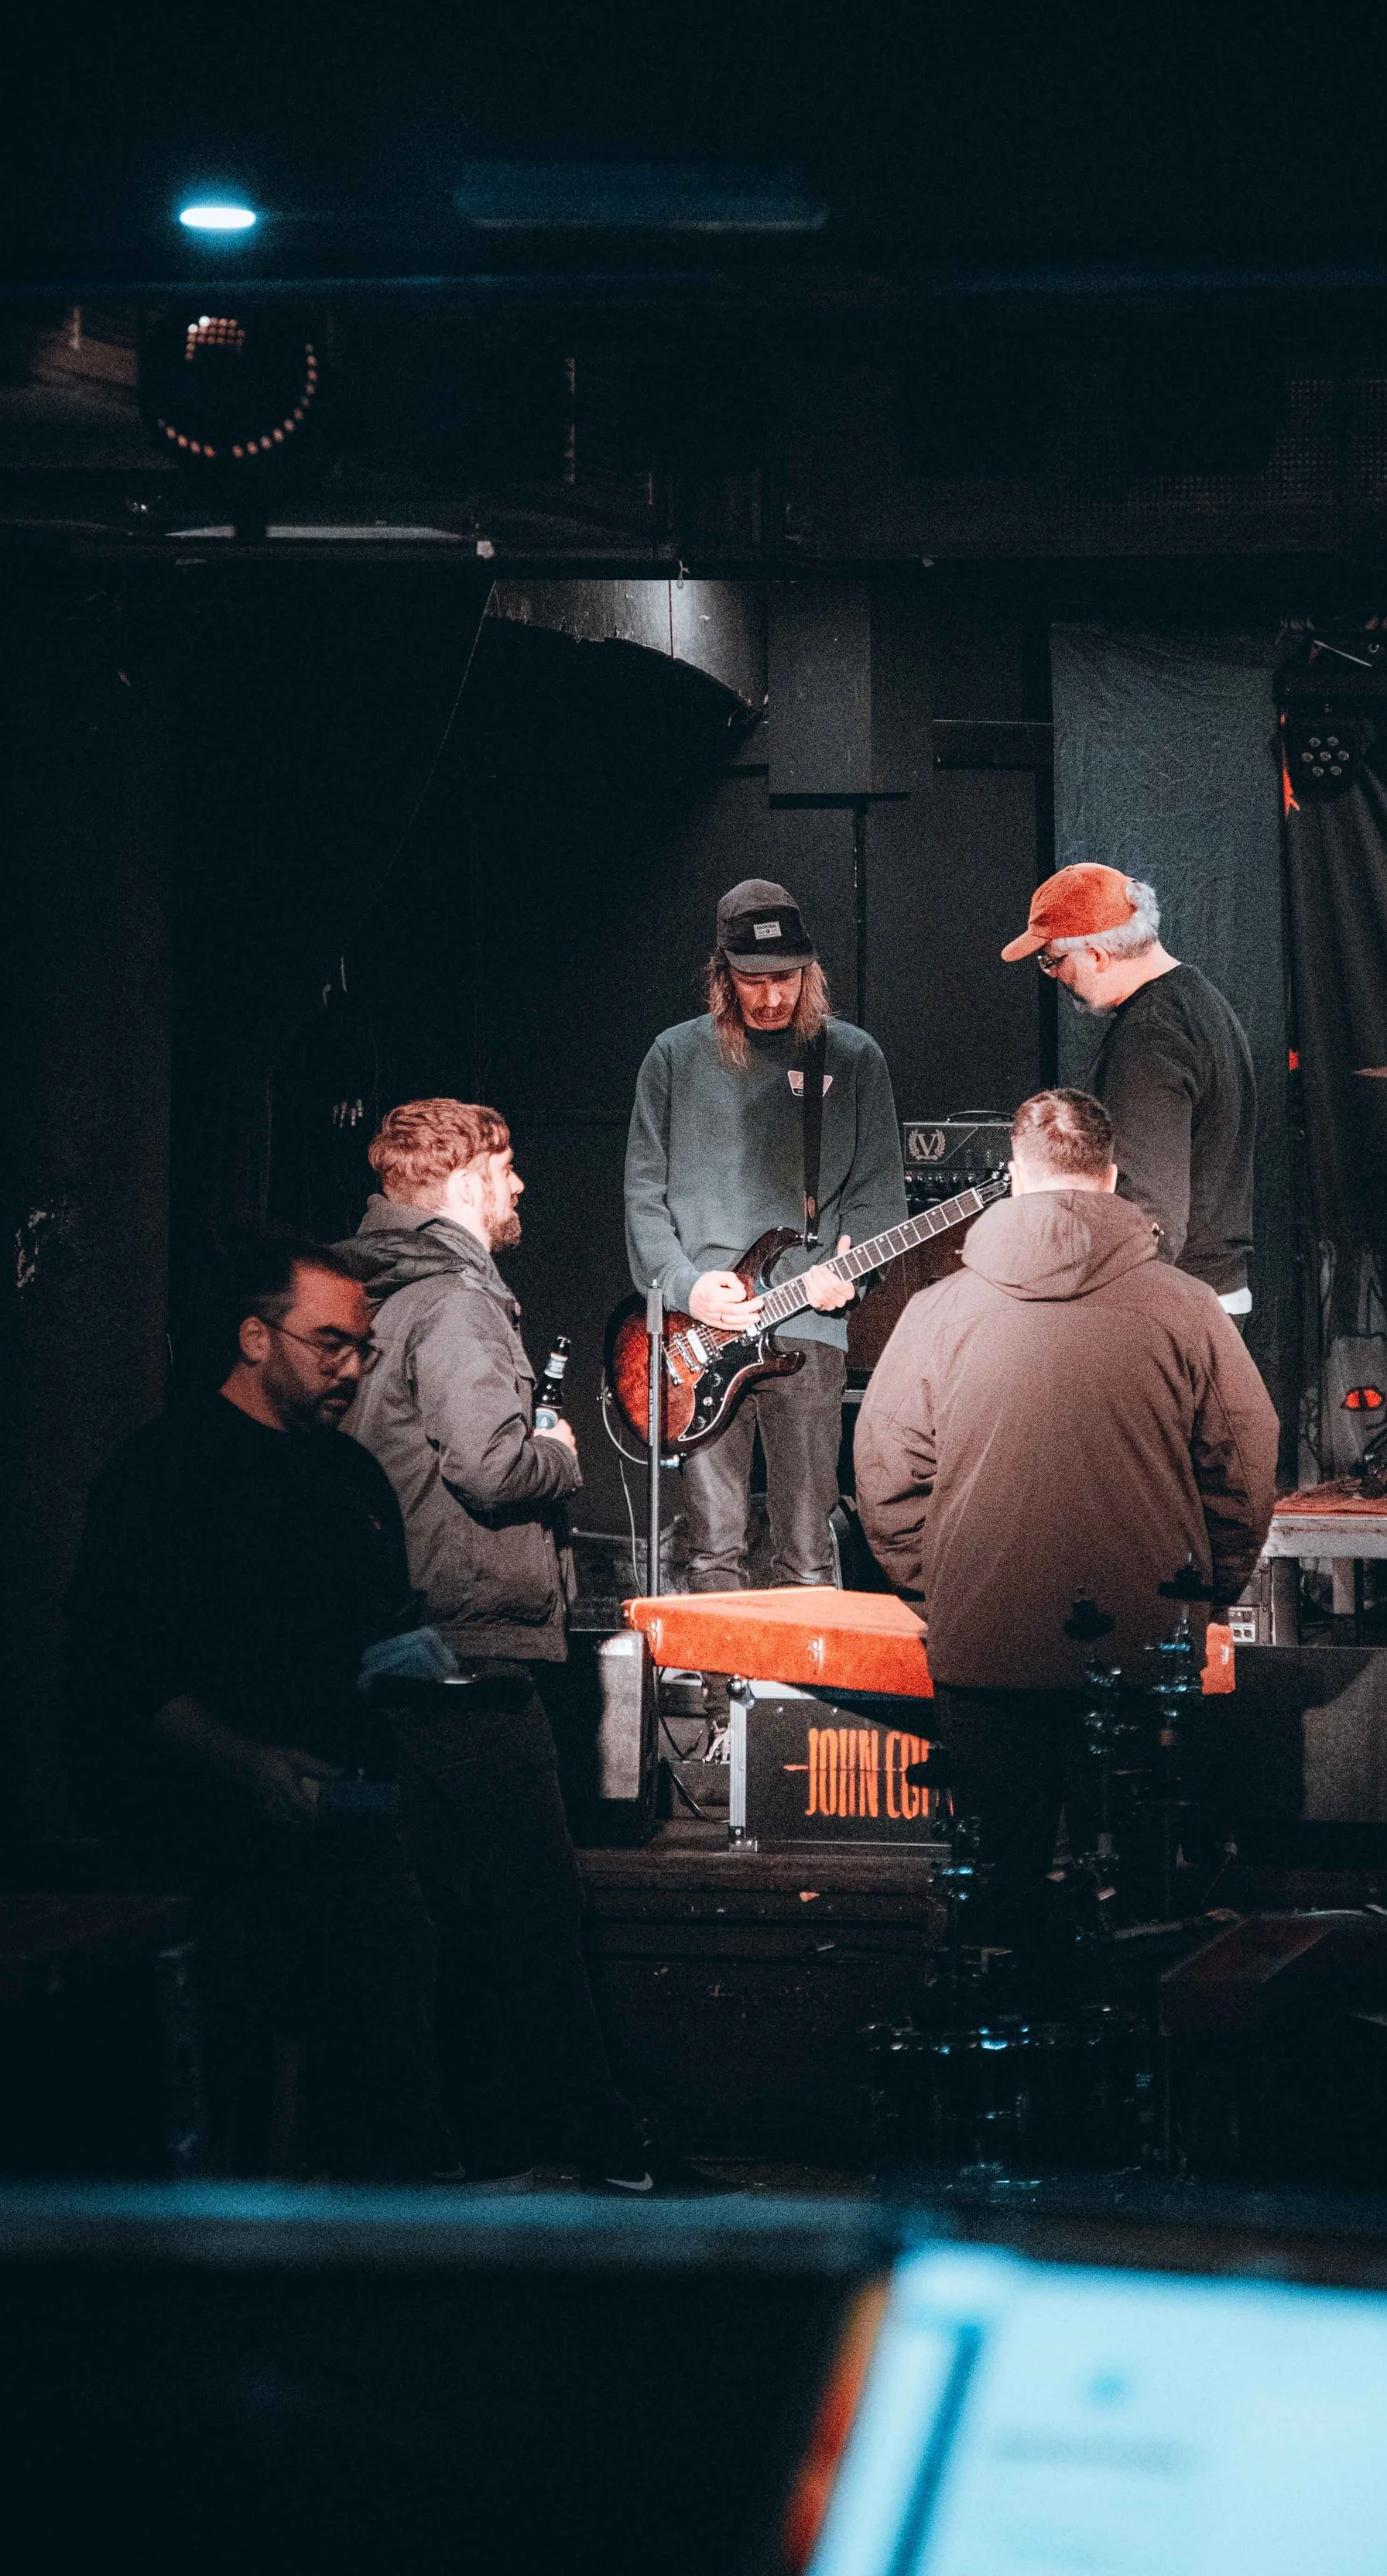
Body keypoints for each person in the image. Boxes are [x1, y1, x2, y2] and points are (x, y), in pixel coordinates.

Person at [852, 1087, 1279, 1949]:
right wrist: (1200, 1596)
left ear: (1013, 1177)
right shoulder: (1185, 1307)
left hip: (986, 1655)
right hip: (1141, 1654)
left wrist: (949, 1592)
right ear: (1112, 1177)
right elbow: (1244, 1469)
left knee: (993, 1905)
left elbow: (885, 1479)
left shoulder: (937, 1311)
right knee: (1142, 1913)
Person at [63, 1229, 445, 2180]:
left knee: (381, 2096)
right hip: (211, 1846)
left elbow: (369, 1633)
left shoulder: (353, 1478)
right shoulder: (167, 1472)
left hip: (349, 1834)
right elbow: (119, 1672)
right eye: (331, 1344)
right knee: (220, 2118)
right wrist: (248, 1764)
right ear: (255, 1336)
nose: (353, 1368)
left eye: (363, 1346)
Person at [344, 1096, 655, 2189]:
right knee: (535, 1912)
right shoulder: (460, 1300)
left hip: (395, 1644)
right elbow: (489, 1465)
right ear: (464, 1180)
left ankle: (449, 2148)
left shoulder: (364, 1292)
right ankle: (602, 2146)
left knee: (430, 1920)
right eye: (507, 1166)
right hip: (471, 1649)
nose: (520, 1188)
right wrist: (560, 1450)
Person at [625, 878, 906, 1593]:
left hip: (809, 1326)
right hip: (701, 1332)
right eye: (753, 980)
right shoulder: (672, 1057)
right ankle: (723, 1704)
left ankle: (800, 1703)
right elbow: (643, 1196)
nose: (771, 996)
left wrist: (854, 1268)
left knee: (808, 1550)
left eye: (785, 978)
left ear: (809, 973)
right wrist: (688, 1285)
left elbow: (879, 1195)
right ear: (723, 976)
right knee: (713, 1547)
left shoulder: (853, 1058)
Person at [1002, 861, 1257, 1313]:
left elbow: (1148, 1212)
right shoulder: (1199, 1001)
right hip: (1209, 1288)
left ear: (1097, 955)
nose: (1056, 978)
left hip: (1172, 1300)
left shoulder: (1150, 1036)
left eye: (1053, 962)